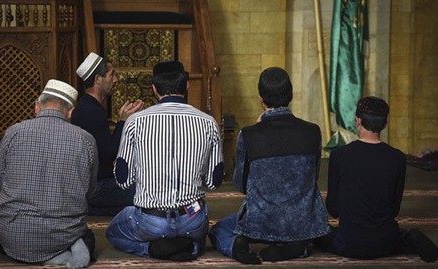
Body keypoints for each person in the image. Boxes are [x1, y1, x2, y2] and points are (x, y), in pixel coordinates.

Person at [209, 67, 330, 264]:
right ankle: (298, 247)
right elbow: (313, 176)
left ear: (260, 98)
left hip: (260, 223)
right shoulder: (312, 131)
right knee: (317, 229)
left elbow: (241, 185)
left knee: (219, 229)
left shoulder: (248, 135)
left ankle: (237, 247)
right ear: (290, 95)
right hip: (301, 223)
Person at [106, 61, 224, 261]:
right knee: (199, 232)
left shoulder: (135, 122)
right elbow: (214, 181)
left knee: (113, 232)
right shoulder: (208, 122)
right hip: (192, 219)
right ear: (186, 86)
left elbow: (123, 180)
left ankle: (153, 249)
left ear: (154, 88)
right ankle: (191, 248)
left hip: (150, 221)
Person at [315, 96, 438, 263]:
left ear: (357, 120)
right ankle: (408, 238)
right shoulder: (398, 158)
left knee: (318, 233)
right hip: (386, 243)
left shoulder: (339, 156)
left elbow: (334, 209)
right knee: (394, 235)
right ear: (385, 125)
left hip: (349, 244)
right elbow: (394, 210)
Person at [0, 79, 98, 268]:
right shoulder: (86, 140)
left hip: (13, 234)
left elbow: (0, 179)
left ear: (37, 106)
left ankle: (50, 256)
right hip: (65, 233)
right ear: (71, 111)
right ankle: (73, 248)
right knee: (87, 235)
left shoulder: (14, 132)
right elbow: (90, 191)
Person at [73, 52, 143, 216]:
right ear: (98, 79)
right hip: (97, 187)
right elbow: (109, 153)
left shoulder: (88, 106)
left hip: (92, 185)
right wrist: (123, 121)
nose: (116, 80)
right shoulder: (91, 110)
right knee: (150, 193)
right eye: (112, 75)